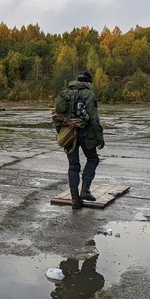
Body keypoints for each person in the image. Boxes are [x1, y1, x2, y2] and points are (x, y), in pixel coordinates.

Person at [61, 71, 105, 209]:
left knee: (73, 167)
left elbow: (58, 115)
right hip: (86, 135)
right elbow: (94, 118)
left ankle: (75, 200)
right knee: (93, 159)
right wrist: (100, 138)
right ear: (87, 82)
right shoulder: (88, 94)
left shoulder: (65, 93)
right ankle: (85, 190)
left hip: (68, 135)